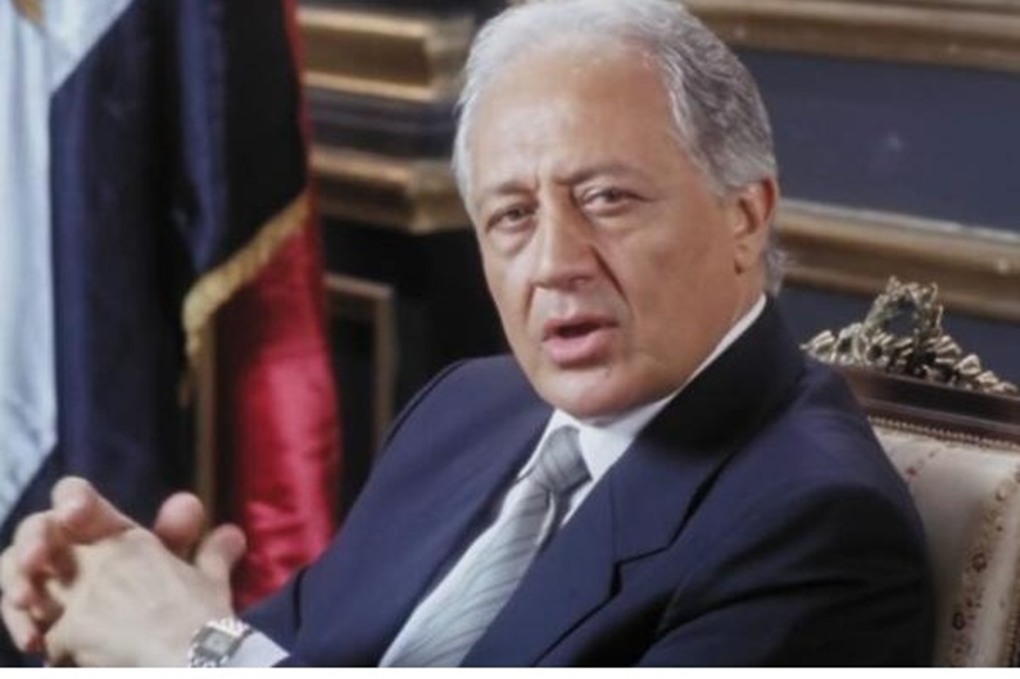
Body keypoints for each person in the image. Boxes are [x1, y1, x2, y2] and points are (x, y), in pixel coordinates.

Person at [0, 0, 933, 666]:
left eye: (607, 198)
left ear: (746, 215)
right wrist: (122, 606)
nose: (555, 261)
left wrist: (194, 649)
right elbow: (293, 654)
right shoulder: (468, 409)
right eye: (513, 215)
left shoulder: (814, 528)